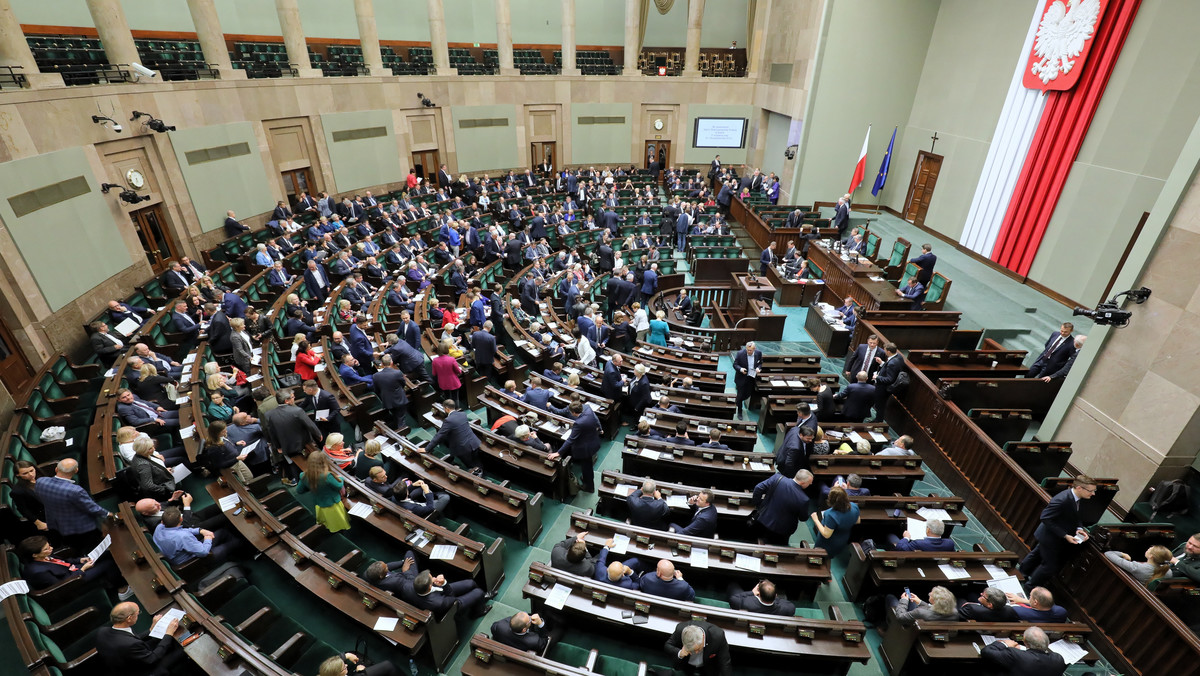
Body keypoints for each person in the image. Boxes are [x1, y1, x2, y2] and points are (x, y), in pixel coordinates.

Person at [1019, 475, 1096, 587]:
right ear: (1079, 488)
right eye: (1091, 491)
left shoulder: (1076, 498)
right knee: (1050, 567)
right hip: (1050, 536)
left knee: (1036, 554)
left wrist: (1079, 528)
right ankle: (1030, 586)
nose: (1093, 494)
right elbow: (1045, 517)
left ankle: (1021, 573)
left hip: (1052, 535)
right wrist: (1065, 536)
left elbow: (1076, 515)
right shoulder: (1062, 500)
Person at [36, 458, 112, 552]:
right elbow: (91, 508)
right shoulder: (75, 491)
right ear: (76, 471)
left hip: (55, 523)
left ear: (56, 469)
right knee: (92, 547)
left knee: (75, 547)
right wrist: (108, 514)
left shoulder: (40, 482)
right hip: (79, 528)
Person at [96, 601, 188, 676]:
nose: (138, 615)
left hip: (127, 660)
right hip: (144, 671)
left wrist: (151, 629)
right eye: (137, 613)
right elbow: (152, 658)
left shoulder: (102, 631)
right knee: (183, 649)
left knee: (160, 641)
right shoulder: (130, 644)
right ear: (129, 618)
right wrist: (169, 633)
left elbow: (131, 638)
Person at [18, 534, 127, 594]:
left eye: (49, 545)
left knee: (106, 554)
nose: (51, 548)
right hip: (74, 579)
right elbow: (62, 585)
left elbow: (63, 562)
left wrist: (80, 560)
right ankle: (121, 588)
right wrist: (82, 569)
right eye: (46, 548)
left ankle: (114, 577)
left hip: (72, 569)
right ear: (35, 555)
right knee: (108, 564)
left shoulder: (42, 557)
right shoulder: (38, 572)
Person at [263, 388, 323, 486]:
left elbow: (271, 432)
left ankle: (303, 484)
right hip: (304, 444)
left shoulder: (269, 414)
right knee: (312, 463)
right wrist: (318, 434)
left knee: (295, 465)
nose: (294, 398)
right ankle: (318, 481)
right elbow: (310, 425)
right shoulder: (297, 410)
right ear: (286, 400)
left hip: (286, 447)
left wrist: (278, 446)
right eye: (292, 397)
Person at [153, 506, 241, 566]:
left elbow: (181, 530)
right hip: (191, 561)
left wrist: (199, 530)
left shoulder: (159, 527)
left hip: (175, 553)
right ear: (181, 519)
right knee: (237, 542)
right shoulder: (183, 537)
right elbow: (203, 552)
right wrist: (207, 539)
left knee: (222, 532)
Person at [548, 400, 602, 492]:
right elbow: (596, 420)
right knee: (587, 466)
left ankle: (589, 487)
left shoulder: (578, 423)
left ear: (573, 412)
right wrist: (600, 428)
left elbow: (570, 440)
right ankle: (586, 480)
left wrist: (558, 452)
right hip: (593, 441)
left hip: (585, 448)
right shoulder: (588, 408)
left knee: (586, 467)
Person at [751, 470, 813, 546]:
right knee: (779, 547)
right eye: (809, 483)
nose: (810, 484)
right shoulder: (804, 499)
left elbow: (758, 488)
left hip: (763, 519)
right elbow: (803, 518)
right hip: (782, 530)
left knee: (758, 540)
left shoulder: (777, 478)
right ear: (803, 483)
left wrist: (758, 505)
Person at [402, 569, 490, 619]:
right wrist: (444, 584)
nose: (433, 577)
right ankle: (478, 611)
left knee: (470, 583)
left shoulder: (408, 586)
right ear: (429, 586)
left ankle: (480, 600)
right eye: (432, 578)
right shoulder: (439, 603)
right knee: (479, 592)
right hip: (451, 606)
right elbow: (453, 600)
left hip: (439, 592)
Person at [298, 451, 352, 533]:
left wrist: (311, 486)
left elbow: (300, 490)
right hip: (333, 505)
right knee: (338, 523)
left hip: (319, 504)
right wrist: (341, 478)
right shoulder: (327, 476)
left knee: (327, 522)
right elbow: (338, 486)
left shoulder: (303, 475)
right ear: (324, 462)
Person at [426, 398, 483, 474]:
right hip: (473, 442)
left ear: (446, 408)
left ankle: (478, 475)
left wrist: (427, 449)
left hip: (463, 448)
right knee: (477, 461)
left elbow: (439, 435)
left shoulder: (448, 420)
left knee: (470, 465)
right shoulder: (462, 414)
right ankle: (481, 470)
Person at [980, 626, 1067, 676]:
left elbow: (986, 652)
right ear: (1048, 643)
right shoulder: (1058, 659)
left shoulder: (1014, 654)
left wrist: (1004, 644)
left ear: (1024, 641)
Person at [664, 620, 732, 676]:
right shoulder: (681, 630)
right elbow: (667, 645)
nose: (696, 652)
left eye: (698, 649)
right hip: (685, 665)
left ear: (703, 637)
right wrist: (680, 653)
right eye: (693, 650)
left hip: (707, 667)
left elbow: (725, 662)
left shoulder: (718, 636)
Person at [810, 485, 860, 557]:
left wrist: (816, 520)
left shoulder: (830, 514)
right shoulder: (854, 506)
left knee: (819, 557)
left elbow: (826, 534)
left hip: (828, 543)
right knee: (830, 556)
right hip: (843, 539)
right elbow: (857, 521)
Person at [888, 585, 959, 626]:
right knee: (913, 602)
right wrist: (920, 602)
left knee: (890, 597)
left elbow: (900, 617)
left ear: (935, 602)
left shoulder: (920, 612)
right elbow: (935, 611)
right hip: (927, 628)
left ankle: (886, 626)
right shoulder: (954, 612)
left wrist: (904, 600)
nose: (929, 593)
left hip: (908, 629)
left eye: (931, 595)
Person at [371, 354, 409, 431]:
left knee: (395, 416)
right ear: (391, 362)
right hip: (399, 399)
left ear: (382, 364)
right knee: (401, 418)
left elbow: (376, 390)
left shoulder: (375, 376)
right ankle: (402, 435)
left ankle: (397, 430)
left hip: (387, 400)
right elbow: (403, 384)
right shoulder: (397, 373)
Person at [491, 612, 559, 653]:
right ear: (524, 630)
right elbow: (544, 641)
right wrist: (541, 624)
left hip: (508, 642)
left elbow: (493, 628)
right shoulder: (534, 640)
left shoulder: (499, 626)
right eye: (529, 619)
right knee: (559, 630)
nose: (530, 616)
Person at [726, 579, 796, 616]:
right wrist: (772, 596)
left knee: (733, 585)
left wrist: (752, 593)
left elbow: (733, 599)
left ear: (758, 594)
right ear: (776, 596)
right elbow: (791, 606)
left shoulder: (745, 602)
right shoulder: (786, 609)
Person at [871, 342, 902, 422]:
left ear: (888, 351)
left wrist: (877, 377)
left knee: (880, 405)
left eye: (885, 350)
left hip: (883, 389)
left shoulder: (892, 363)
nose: (884, 351)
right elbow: (889, 369)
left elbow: (889, 379)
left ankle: (878, 421)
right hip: (884, 388)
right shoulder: (898, 357)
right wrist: (882, 363)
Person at [1005, 586, 1069, 622]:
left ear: (1035, 602)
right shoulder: (1062, 612)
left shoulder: (1018, 611)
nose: (1029, 598)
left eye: (1030, 596)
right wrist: (1023, 600)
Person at [733, 341, 762, 420]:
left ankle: (738, 400)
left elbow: (760, 363)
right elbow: (735, 365)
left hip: (751, 377)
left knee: (747, 394)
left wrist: (758, 368)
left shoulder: (758, 353)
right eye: (747, 350)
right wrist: (740, 369)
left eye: (750, 350)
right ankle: (739, 411)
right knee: (740, 395)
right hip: (741, 378)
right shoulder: (740, 353)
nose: (749, 352)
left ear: (754, 349)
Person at [887, 518, 956, 551]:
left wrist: (906, 538)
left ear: (928, 530)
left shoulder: (918, 543)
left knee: (891, 536)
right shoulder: (949, 543)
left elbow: (900, 548)